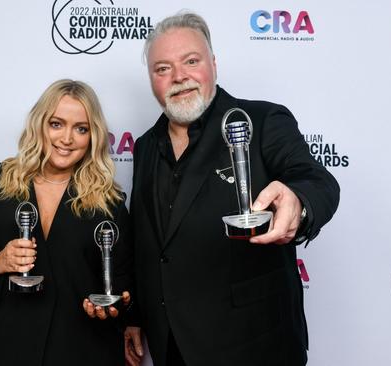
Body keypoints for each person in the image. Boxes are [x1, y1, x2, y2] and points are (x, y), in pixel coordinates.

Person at [124, 12, 340, 366]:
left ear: (214, 64)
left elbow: (317, 181)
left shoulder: (263, 120)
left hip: (253, 343)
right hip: (171, 344)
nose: (179, 77)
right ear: (152, 80)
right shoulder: (146, 145)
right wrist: (133, 316)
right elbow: (145, 241)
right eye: (162, 69)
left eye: (191, 61)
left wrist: (298, 204)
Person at [0, 79, 133, 366]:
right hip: (7, 350)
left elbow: (124, 277)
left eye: (81, 129)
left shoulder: (109, 202)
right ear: (39, 124)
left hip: (84, 350)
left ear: (93, 137)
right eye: (56, 124)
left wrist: (114, 307)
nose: (67, 139)